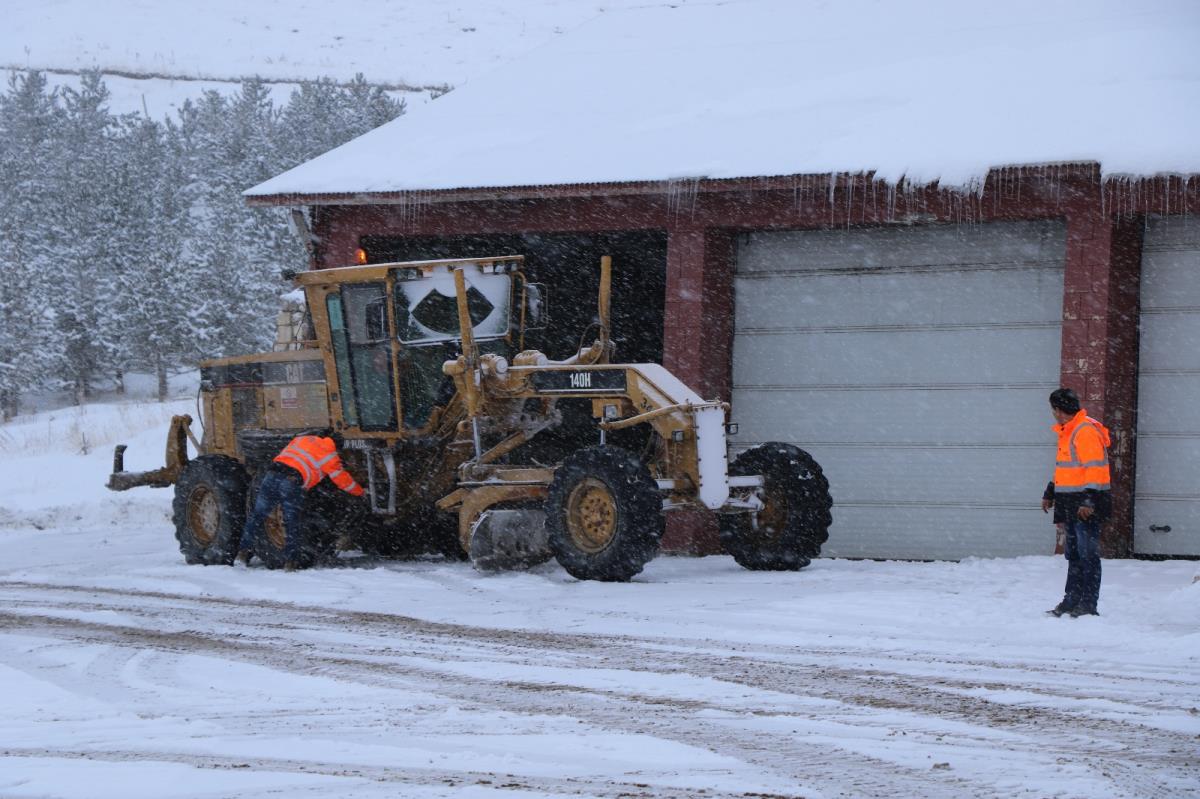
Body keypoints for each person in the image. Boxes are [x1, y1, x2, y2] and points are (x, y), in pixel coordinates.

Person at [237, 428, 365, 571]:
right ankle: (290, 562)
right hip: (291, 481)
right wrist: (360, 492)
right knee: (292, 522)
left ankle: (242, 553)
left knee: (257, 516)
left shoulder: (301, 440)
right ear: (336, 446)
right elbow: (341, 480)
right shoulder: (329, 455)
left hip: (271, 475)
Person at [1041, 388, 1111, 617]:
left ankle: (1088, 604)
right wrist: (1051, 491)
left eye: (1053, 409)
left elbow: (1095, 469)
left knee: (1087, 555)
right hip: (1071, 503)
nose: (1053, 413)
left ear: (1058, 410)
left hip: (1084, 505)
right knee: (1074, 556)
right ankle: (1071, 601)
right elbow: (1066, 469)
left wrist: (1089, 500)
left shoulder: (1084, 431)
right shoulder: (1069, 430)